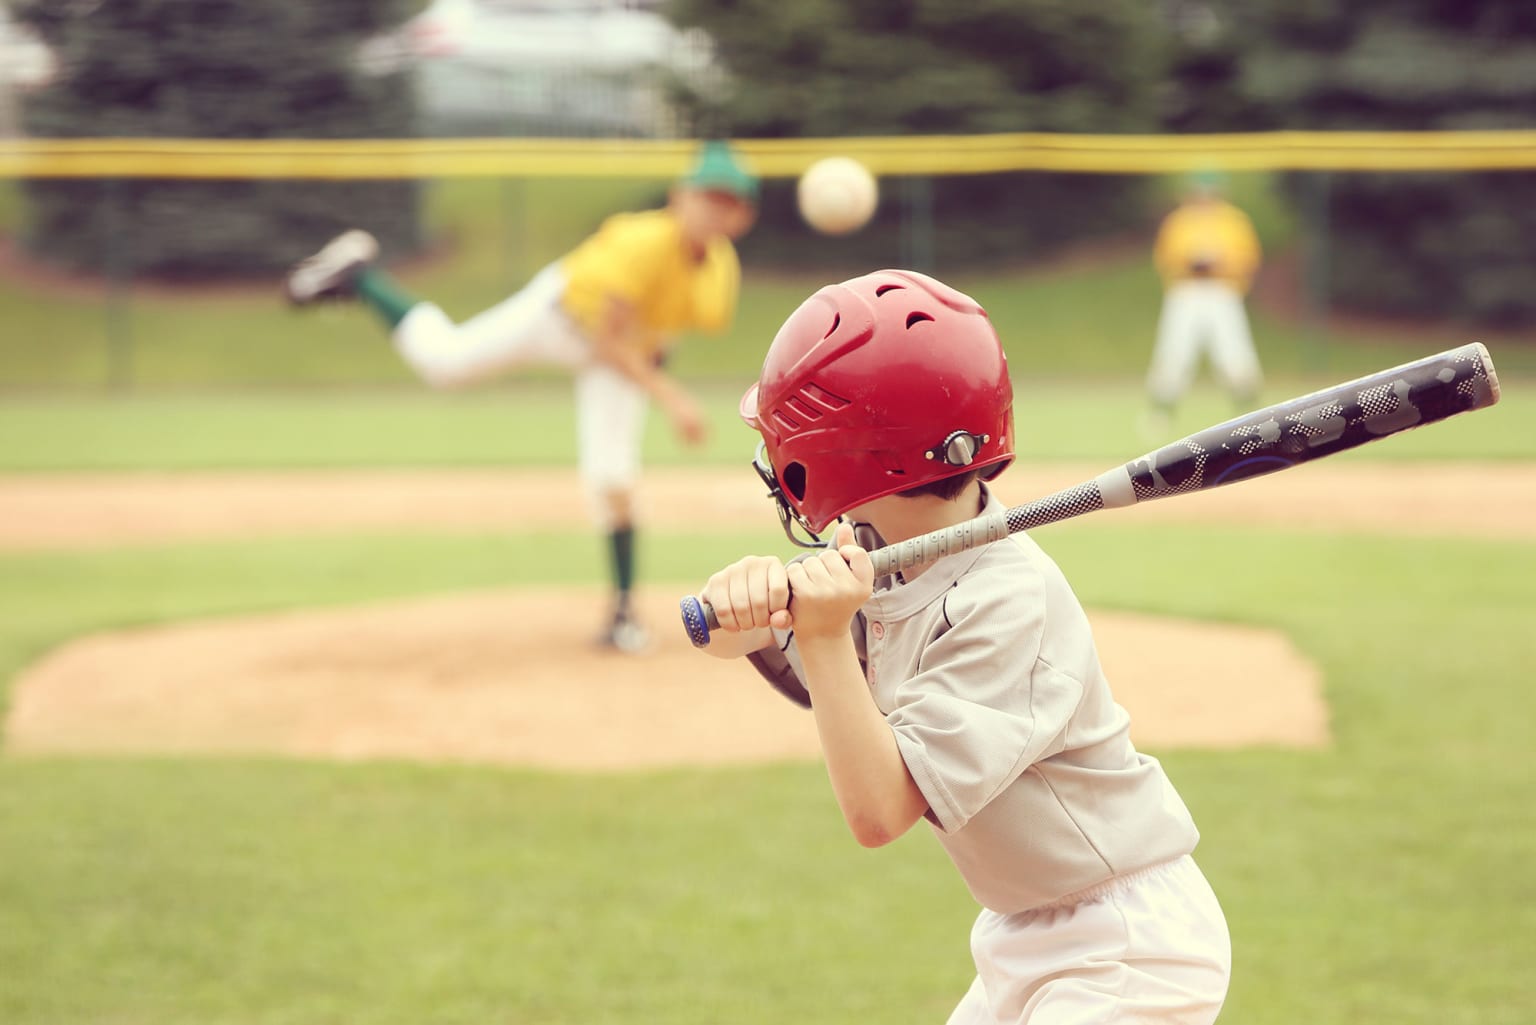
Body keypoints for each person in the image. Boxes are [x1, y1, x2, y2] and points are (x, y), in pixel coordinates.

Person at [697, 270, 1231, 1023]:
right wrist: (745, 612)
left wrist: (817, 634)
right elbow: (793, 663)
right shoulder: (882, 553)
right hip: (1024, 930)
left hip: (1126, 946)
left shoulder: (1007, 600)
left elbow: (879, 811)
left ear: (847, 454)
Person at [283, 140, 760, 653]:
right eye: (706, 196)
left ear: (742, 217)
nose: (714, 210)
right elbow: (607, 338)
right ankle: (360, 277)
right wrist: (671, 397)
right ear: (678, 196)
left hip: (620, 355)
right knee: (446, 362)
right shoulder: (641, 242)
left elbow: (662, 329)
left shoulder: (720, 273)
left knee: (613, 478)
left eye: (727, 202)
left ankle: (622, 615)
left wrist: (655, 378)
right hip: (560, 317)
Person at [1143, 170, 1264, 439]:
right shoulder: (1179, 221)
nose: (1204, 197)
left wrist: (1220, 262)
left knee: (1235, 355)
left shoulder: (1234, 220)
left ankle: (1251, 418)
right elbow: (1165, 259)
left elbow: (1248, 259)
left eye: (1208, 192)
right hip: (1186, 292)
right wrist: (1190, 261)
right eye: (1199, 192)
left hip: (1223, 291)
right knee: (1174, 354)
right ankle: (1160, 416)